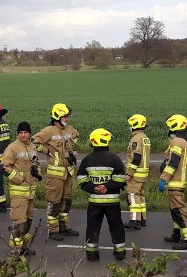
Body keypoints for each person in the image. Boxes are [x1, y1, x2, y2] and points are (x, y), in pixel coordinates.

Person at [76, 128, 127, 262]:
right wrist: (107, 187)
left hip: (95, 202)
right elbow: (121, 178)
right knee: (116, 226)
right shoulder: (114, 158)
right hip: (112, 202)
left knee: (92, 227)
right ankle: (120, 252)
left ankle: (92, 254)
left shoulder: (87, 159)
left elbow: (81, 178)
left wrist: (93, 188)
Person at [32, 102, 80, 241]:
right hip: (55, 174)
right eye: (65, 117)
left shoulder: (69, 129)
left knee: (67, 201)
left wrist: (70, 149)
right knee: (54, 202)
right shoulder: (48, 131)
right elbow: (34, 142)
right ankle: (53, 231)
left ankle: (64, 227)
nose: (67, 119)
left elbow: (76, 136)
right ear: (57, 117)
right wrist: (46, 150)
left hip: (68, 172)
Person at [1, 121, 41, 255]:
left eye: (26, 132)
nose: (23, 135)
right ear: (18, 134)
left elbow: (36, 163)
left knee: (28, 222)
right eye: (21, 133)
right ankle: (15, 250)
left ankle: (24, 247)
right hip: (19, 192)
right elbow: (5, 167)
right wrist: (19, 179)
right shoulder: (12, 148)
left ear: (30, 133)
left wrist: (38, 175)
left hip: (30, 192)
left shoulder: (32, 147)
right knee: (20, 223)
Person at [158, 114, 187, 250]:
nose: (168, 129)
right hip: (176, 182)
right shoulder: (183, 141)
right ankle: (177, 234)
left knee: (179, 211)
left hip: (175, 183)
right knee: (174, 211)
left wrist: (163, 178)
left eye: (169, 126)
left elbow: (173, 162)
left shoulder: (177, 142)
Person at [123, 113, 150, 230]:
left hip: (136, 174)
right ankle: (142, 219)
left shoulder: (135, 139)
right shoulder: (145, 138)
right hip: (144, 173)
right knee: (141, 196)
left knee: (132, 195)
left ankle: (134, 220)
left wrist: (129, 173)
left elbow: (136, 158)